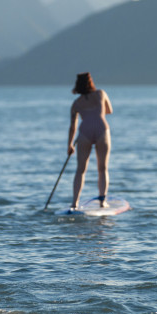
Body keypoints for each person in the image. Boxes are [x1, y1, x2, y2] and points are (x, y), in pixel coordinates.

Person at [67, 72, 113, 210]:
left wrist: (69, 144)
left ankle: (75, 203)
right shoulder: (101, 94)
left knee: (80, 170)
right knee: (102, 168)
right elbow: (109, 111)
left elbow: (72, 127)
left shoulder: (76, 104)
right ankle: (102, 201)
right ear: (91, 82)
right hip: (101, 130)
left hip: (84, 132)